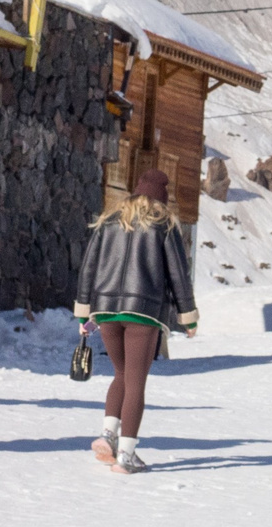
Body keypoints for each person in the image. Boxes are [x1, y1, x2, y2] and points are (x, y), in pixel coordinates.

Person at [74, 169, 198, 475]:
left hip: (106, 312)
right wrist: (188, 315)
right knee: (136, 382)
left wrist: (83, 312)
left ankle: (107, 435)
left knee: (121, 373)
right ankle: (126, 455)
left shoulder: (110, 221)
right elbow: (178, 274)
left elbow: (89, 267)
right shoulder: (164, 225)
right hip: (143, 312)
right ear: (161, 198)